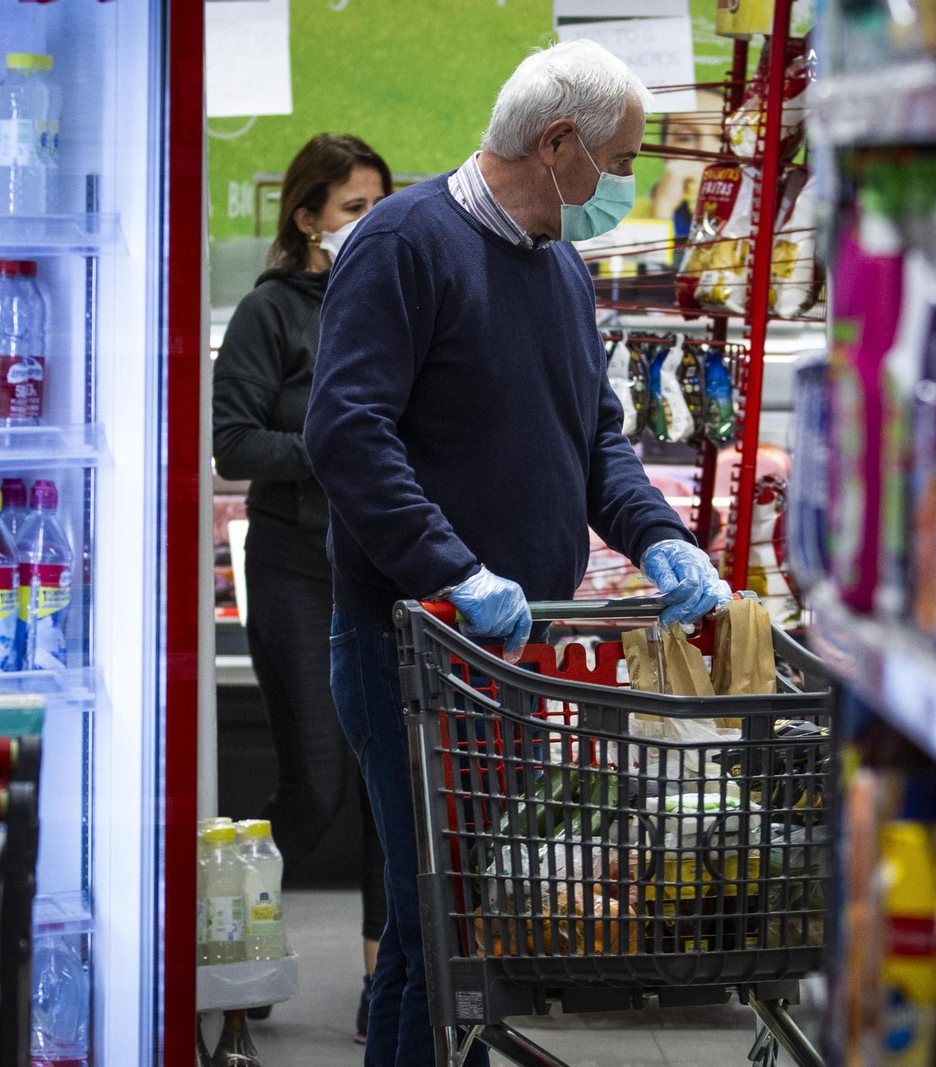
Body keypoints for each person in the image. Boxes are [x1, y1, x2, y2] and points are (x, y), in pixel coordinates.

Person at [305, 40, 731, 1067]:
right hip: (410, 640)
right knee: (436, 925)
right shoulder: (404, 244)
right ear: (556, 146)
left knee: (454, 927)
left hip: (511, 654)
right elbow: (346, 431)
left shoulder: (559, 270)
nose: (620, 186)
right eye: (618, 162)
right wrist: (452, 566)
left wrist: (661, 538)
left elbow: (594, 444)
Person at [212, 132, 393, 1044]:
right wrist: (331, 449)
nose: (367, 221)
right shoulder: (270, 313)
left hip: (387, 570)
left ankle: (380, 984)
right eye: (352, 206)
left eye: (377, 204)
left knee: (382, 786)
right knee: (317, 784)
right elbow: (234, 444)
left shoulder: (396, 300)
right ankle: (228, 939)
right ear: (308, 216)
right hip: (294, 568)